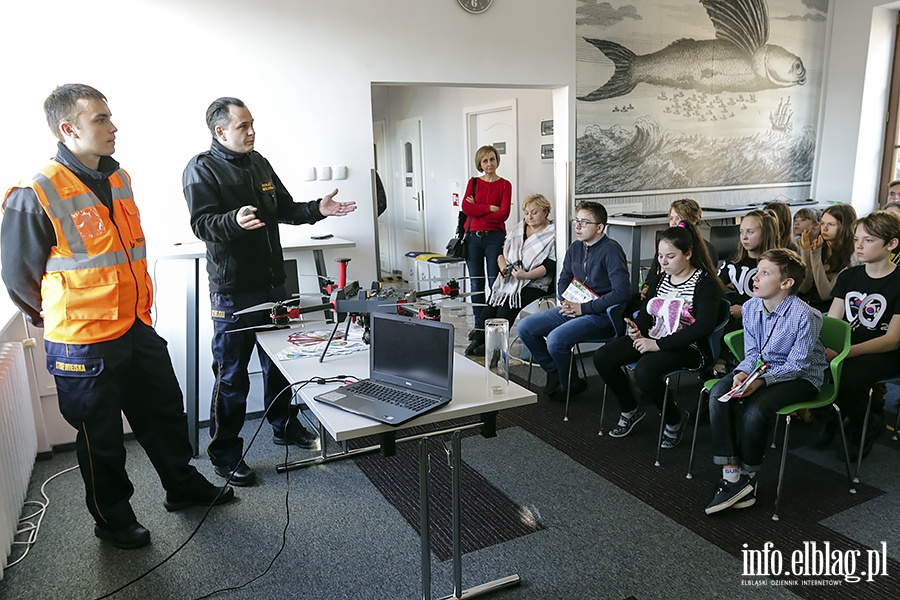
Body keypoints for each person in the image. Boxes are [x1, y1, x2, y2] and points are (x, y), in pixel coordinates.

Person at [0, 84, 234, 550]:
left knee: (164, 412)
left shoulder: (118, 177)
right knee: (100, 438)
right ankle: (113, 520)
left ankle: (182, 487)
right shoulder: (36, 191)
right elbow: (18, 276)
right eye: (101, 119)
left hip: (134, 326)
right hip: (82, 340)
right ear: (69, 129)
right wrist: (57, 318)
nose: (113, 127)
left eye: (110, 117)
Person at [183, 97, 356, 487]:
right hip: (233, 292)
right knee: (232, 376)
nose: (251, 131)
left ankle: (284, 425)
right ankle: (225, 452)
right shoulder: (201, 168)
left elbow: (284, 208)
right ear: (220, 131)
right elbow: (203, 223)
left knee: (281, 362)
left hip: (274, 284)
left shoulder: (259, 162)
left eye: (252, 124)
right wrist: (233, 220)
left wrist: (318, 209)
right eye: (243, 126)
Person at [704, 249, 826, 514]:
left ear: (786, 283)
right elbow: (752, 355)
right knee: (718, 394)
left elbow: (798, 365)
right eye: (757, 271)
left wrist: (761, 381)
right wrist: (743, 372)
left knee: (756, 408)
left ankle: (748, 473)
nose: (755, 278)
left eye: (765, 273)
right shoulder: (750, 307)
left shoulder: (805, 315)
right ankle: (733, 475)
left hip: (802, 376)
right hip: (761, 370)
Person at [593, 223, 723, 448]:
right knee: (603, 357)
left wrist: (658, 344)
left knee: (644, 370)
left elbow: (702, 327)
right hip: (656, 337)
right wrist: (637, 330)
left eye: (670, 256)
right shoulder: (660, 279)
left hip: (690, 346)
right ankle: (630, 408)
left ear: (688, 254)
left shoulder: (705, 283)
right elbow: (645, 316)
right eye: (660, 256)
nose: (663, 262)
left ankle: (674, 419)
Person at [518, 201, 630, 401]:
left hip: (602, 315)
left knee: (555, 340)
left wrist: (584, 308)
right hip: (574, 308)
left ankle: (567, 382)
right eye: (576, 221)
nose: (577, 227)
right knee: (526, 327)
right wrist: (566, 300)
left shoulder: (611, 250)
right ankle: (558, 372)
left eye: (584, 222)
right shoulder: (575, 247)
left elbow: (621, 292)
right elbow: (563, 279)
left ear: (599, 227)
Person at [813, 211, 900, 461]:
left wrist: (845, 353)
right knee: (807, 362)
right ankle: (828, 414)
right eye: (856, 239)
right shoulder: (849, 276)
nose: (859, 246)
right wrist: (824, 347)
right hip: (848, 346)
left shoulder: (898, 281)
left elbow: (892, 339)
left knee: (848, 376)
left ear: (891, 244)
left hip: (885, 351)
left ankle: (864, 423)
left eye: (869, 240)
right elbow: (833, 322)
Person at [465, 194, 556, 356]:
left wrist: (526, 275)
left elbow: (549, 265)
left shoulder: (553, 233)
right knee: (493, 301)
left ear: (546, 212)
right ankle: (479, 339)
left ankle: (496, 349)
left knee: (507, 306)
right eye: (526, 212)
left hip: (536, 281)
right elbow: (502, 253)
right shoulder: (519, 228)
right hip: (512, 277)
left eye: (534, 212)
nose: (529, 216)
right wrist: (503, 267)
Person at [714, 209, 779, 374]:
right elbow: (719, 282)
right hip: (733, 308)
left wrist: (744, 310)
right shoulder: (736, 256)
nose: (744, 237)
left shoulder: (774, 262)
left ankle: (721, 364)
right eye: (742, 232)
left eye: (750, 232)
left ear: (765, 233)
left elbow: (778, 301)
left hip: (761, 315)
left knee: (728, 328)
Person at [460, 145, 512, 328]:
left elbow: (504, 214)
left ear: (497, 160)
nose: (490, 163)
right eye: (485, 160)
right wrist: (489, 207)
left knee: (494, 283)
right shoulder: (473, 182)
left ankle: (494, 323)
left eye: (492, 159)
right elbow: (466, 208)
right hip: (473, 238)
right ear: (480, 163)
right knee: (476, 284)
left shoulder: (505, 185)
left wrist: (478, 208)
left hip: (495, 238)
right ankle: (478, 326)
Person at [640, 198, 718, 300]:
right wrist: (647, 287)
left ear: (693, 221)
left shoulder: (706, 250)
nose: (673, 223)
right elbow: (652, 275)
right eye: (671, 218)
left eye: (678, 218)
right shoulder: (666, 245)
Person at [798, 203, 857, 311]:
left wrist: (815, 256)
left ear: (844, 226)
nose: (824, 228)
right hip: (806, 305)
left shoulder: (851, 254)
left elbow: (826, 295)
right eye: (822, 223)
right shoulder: (819, 244)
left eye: (831, 224)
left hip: (829, 309)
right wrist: (806, 253)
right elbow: (804, 288)